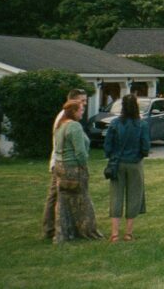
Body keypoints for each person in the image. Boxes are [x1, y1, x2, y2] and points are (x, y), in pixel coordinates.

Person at [52, 99, 103, 243]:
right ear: (73, 111)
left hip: (60, 166)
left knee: (63, 202)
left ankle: (63, 233)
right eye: (81, 110)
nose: (82, 112)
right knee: (83, 200)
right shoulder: (74, 126)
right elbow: (80, 152)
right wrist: (84, 166)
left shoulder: (60, 125)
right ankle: (87, 231)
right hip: (73, 168)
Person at [104, 94, 150, 242]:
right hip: (135, 163)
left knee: (116, 196)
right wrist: (139, 155)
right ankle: (128, 233)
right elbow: (145, 147)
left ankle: (114, 234)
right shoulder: (142, 124)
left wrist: (112, 156)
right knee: (134, 196)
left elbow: (107, 145)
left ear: (122, 106)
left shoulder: (115, 123)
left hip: (117, 163)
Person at [43, 88, 87, 239]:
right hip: (61, 163)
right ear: (72, 100)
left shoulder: (69, 119)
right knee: (55, 196)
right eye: (82, 100)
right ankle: (50, 228)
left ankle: (61, 227)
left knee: (59, 196)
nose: (84, 104)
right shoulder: (65, 119)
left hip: (61, 162)